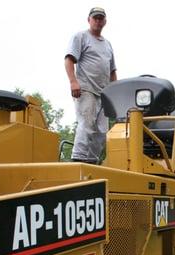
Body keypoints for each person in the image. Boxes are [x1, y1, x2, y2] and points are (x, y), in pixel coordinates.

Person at [65, 7, 117, 164]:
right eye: (95, 18)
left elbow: (112, 71)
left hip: (104, 94)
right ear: (89, 20)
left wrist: (115, 94)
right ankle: (78, 158)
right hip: (86, 88)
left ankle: (91, 161)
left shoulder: (107, 44)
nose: (98, 20)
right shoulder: (80, 36)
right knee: (86, 124)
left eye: (101, 18)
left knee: (102, 131)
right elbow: (69, 60)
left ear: (105, 22)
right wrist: (73, 81)